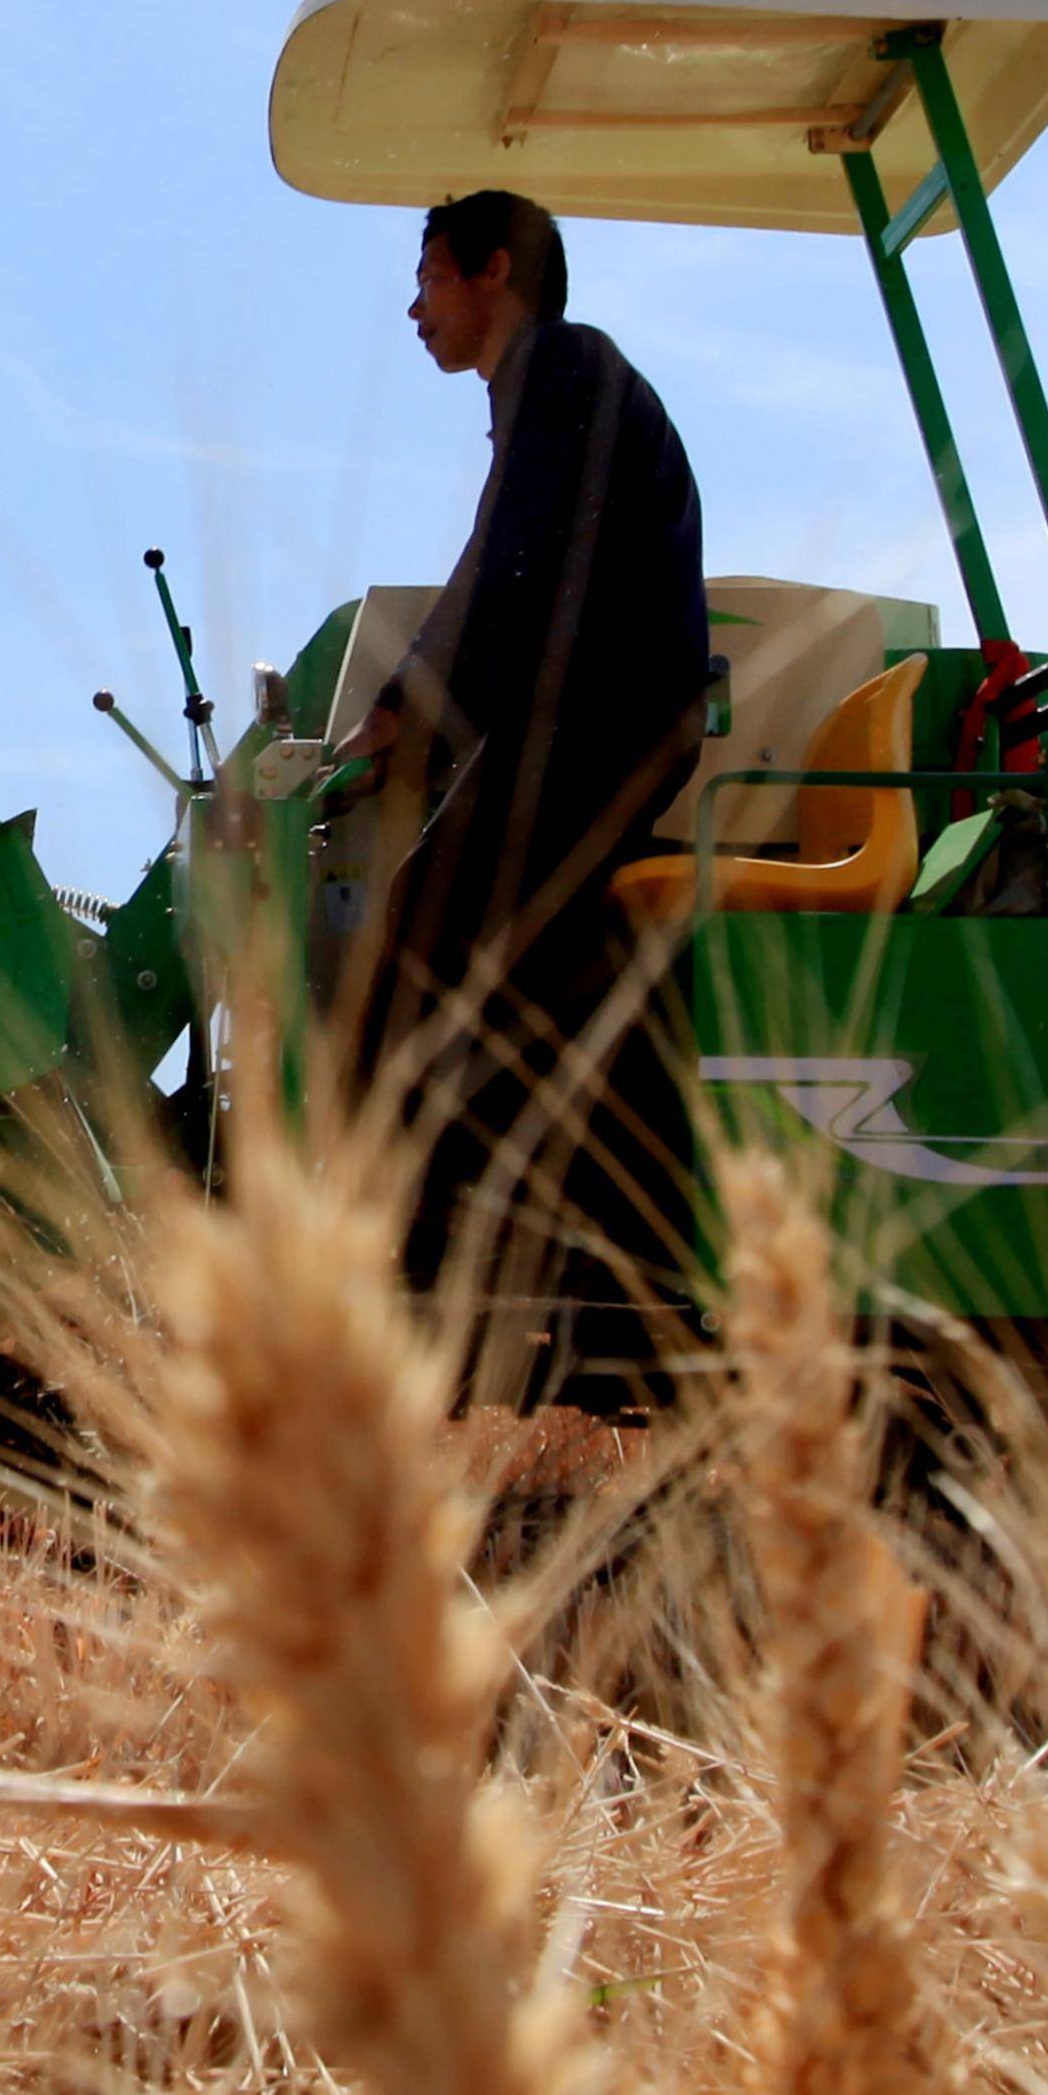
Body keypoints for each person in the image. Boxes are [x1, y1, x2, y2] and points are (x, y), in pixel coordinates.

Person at [334, 187, 709, 1375]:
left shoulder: (566, 371)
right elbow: (491, 571)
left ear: (494, 268)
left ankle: (422, 1258)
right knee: (509, 961)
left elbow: (514, 568)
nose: (413, 305)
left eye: (428, 274)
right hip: (591, 730)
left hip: (603, 729)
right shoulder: (543, 392)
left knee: (415, 936)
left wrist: (417, 713)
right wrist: (405, 703)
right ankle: (552, 1257)